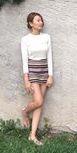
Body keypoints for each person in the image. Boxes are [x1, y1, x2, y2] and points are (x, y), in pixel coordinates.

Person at [21, 12, 53, 145]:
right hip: (33, 72)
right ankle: (25, 112)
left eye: (41, 20)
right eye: (38, 20)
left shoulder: (46, 37)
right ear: (30, 23)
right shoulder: (25, 39)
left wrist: (50, 75)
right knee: (38, 101)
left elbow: (49, 57)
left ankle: (32, 135)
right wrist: (26, 80)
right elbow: (24, 61)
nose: (41, 22)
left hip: (44, 71)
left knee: (40, 104)